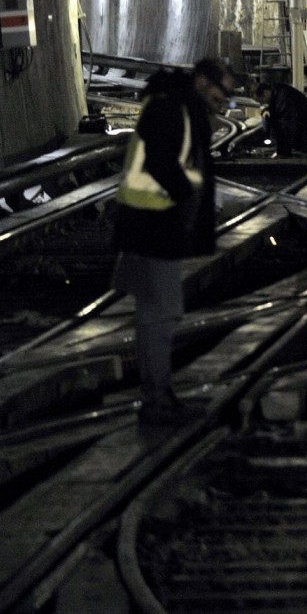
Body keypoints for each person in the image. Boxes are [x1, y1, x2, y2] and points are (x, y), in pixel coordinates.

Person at [113, 58, 236, 426]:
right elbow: (162, 163)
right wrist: (186, 195)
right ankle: (157, 398)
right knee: (162, 314)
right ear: (201, 81)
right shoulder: (171, 108)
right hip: (152, 224)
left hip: (155, 223)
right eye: (223, 91)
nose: (225, 100)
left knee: (156, 314)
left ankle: (157, 393)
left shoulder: (180, 106)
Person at [254, 81, 307, 156]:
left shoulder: (284, 98)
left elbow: (288, 124)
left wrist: (283, 151)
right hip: (304, 126)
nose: (263, 103)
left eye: (262, 100)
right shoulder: (277, 93)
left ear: (265, 93)